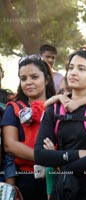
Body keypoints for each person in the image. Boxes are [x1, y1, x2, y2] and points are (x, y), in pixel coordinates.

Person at [34, 48, 86, 200]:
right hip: (63, 188)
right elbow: (39, 155)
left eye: (81, 69)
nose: (73, 72)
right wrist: (79, 154)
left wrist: (60, 163)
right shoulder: (55, 108)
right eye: (71, 68)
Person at [1, 54, 55, 200]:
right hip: (26, 179)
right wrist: (49, 158)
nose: (28, 82)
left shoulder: (59, 107)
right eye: (23, 79)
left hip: (58, 177)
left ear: (47, 79)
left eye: (34, 77)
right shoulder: (14, 108)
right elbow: (9, 145)